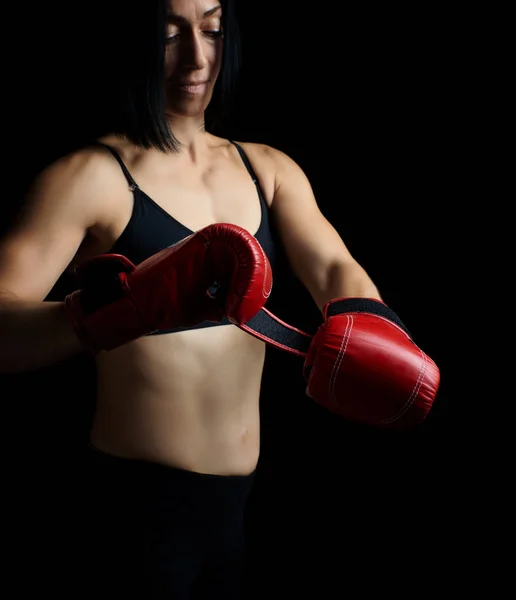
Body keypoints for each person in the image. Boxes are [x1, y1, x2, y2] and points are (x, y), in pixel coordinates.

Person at [0, 0, 440, 598]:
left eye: (212, 28)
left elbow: (336, 266)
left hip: (238, 510)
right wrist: (114, 310)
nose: (196, 55)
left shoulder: (267, 170)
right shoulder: (91, 176)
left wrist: (368, 318)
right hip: (134, 507)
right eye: (169, 33)